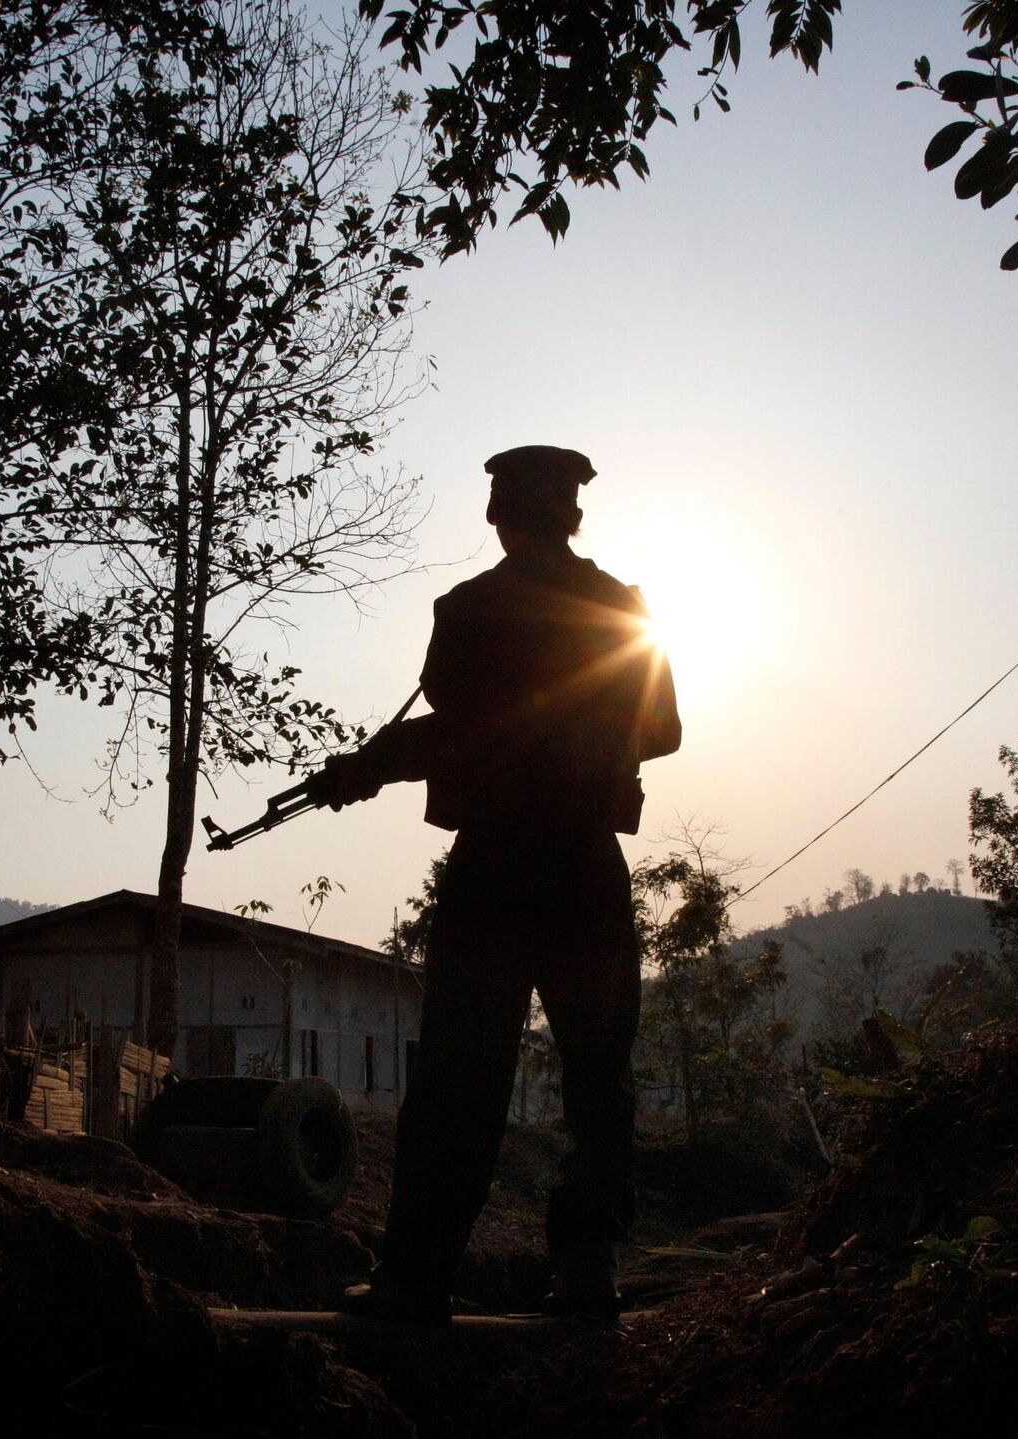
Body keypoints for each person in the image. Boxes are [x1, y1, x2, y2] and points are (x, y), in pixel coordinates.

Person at [316, 444, 681, 1324]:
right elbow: (665, 730)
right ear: (574, 516)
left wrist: (369, 766)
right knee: (598, 1080)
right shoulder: (625, 610)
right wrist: (589, 740)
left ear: (497, 517)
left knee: (458, 1079)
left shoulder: (467, 609)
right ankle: (586, 1274)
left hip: (495, 868)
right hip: (586, 867)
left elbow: (460, 729)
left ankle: (416, 1278)